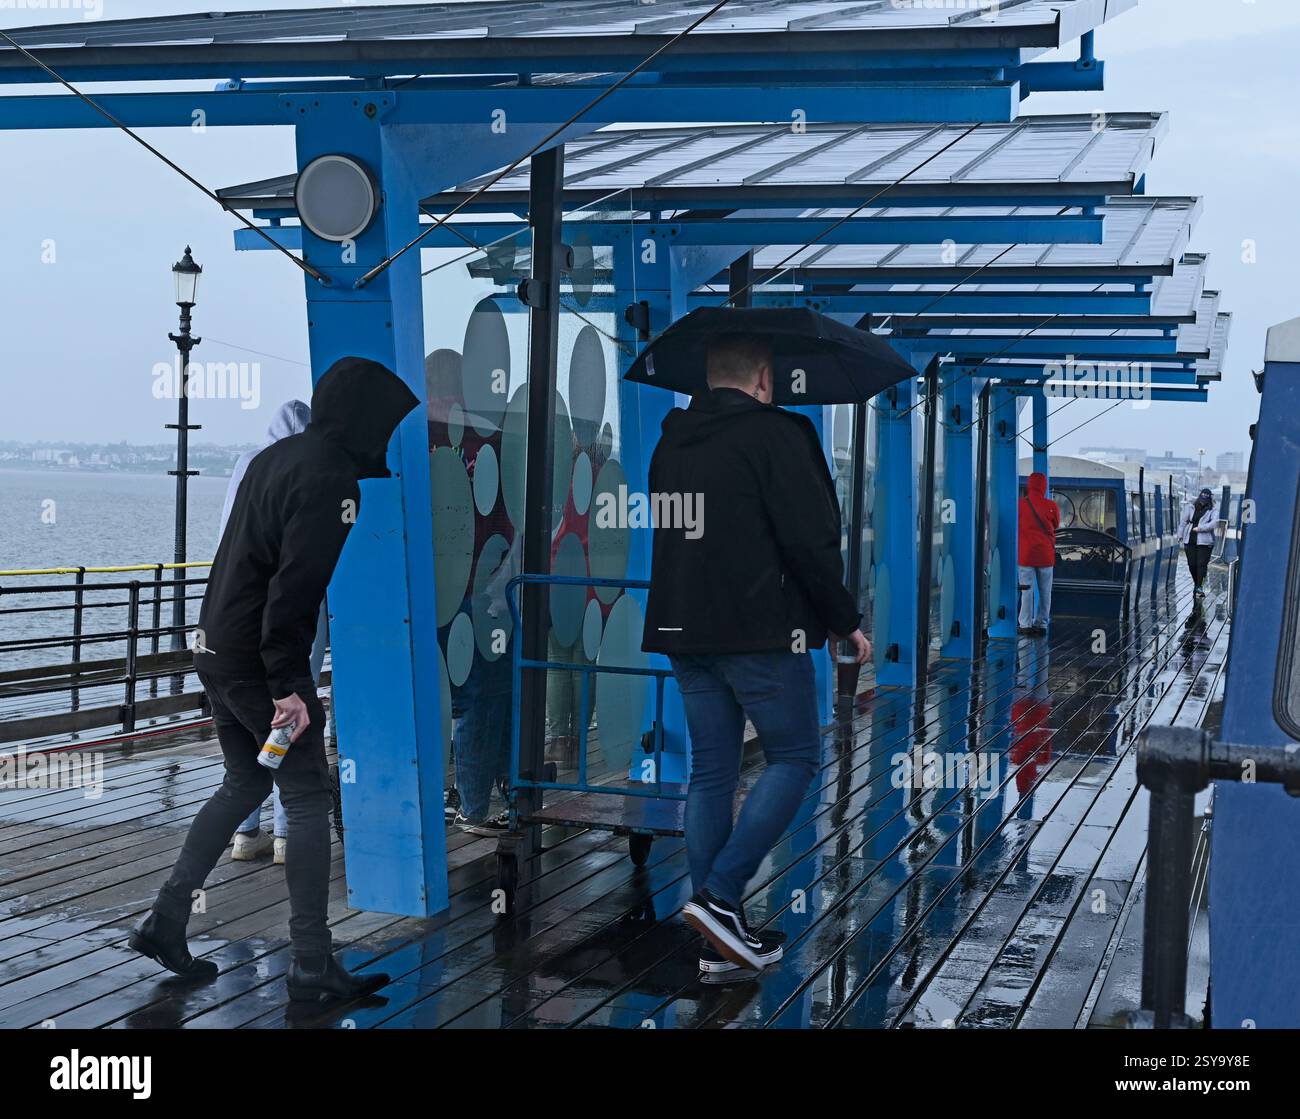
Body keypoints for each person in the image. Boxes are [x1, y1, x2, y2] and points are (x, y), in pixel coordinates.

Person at [130, 356, 417, 1001]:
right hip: (261, 663)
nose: (387, 439)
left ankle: (167, 919)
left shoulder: (274, 458)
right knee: (309, 794)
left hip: (218, 648)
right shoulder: (334, 481)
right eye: (387, 425)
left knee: (244, 782)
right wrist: (291, 686)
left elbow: (239, 564)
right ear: (365, 419)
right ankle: (312, 965)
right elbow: (294, 593)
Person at [642, 333, 870, 973]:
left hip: (684, 630)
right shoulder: (781, 435)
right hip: (760, 631)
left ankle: (716, 930)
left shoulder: (670, 442)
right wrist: (842, 620)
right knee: (796, 757)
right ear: (765, 378)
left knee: (712, 771)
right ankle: (718, 898)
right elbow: (811, 540)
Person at [218, 400, 330, 865]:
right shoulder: (311, 469)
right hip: (293, 609)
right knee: (294, 712)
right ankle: (287, 835)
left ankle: (245, 833)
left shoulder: (248, 464)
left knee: (246, 719)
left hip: (234, 611)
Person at [1017, 471, 1060, 636]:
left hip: (1025, 555)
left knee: (1026, 590)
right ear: (1044, 487)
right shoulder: (1051, 506)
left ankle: (1025, 624)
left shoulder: (1020, 504)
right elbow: (1055, 524)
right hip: (1045, 555)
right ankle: (1041, 623)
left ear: (1029, 486)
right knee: (1045, 591)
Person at [1180, 487, 1218, 598]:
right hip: (1190, 539)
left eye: (1206, 497)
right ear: (1199, 496)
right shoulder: (1191, 507)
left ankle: (1199, 586)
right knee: (1192, 564)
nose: (1204, 500)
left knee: (1201, 565)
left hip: (1205, 542)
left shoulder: (1213, 509)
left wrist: (1200, 528)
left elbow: (1214, 523)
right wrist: (1180, 534)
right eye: (1202, 497)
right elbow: (1183, 522)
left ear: (1209, 498)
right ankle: (1197, 584)